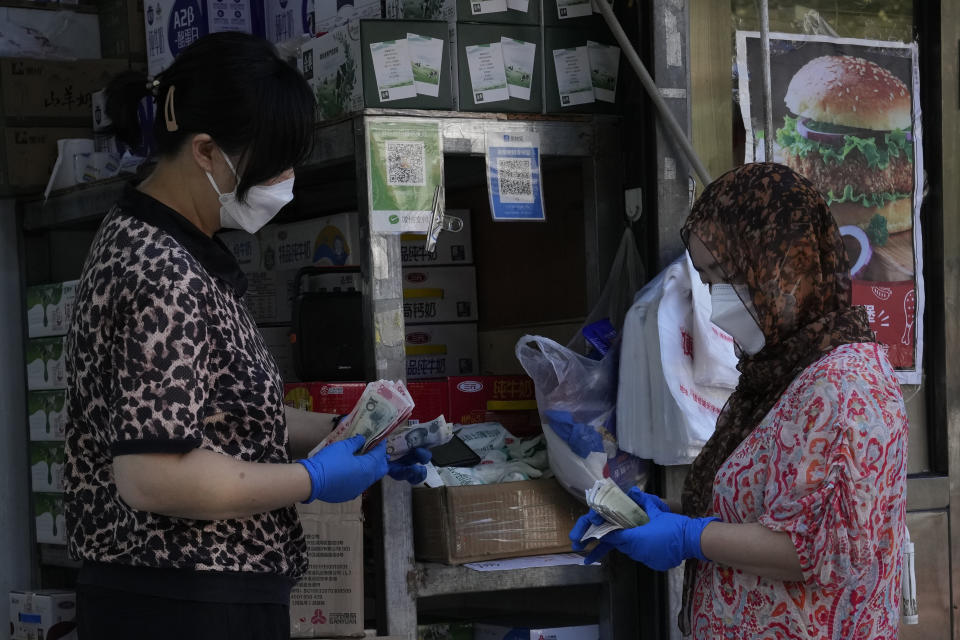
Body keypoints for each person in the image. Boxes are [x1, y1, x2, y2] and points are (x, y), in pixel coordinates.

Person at [63, 33, 429, 640]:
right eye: (273, 164)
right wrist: (312, 480)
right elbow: (153, 475)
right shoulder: (161, 270)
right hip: (182, 601)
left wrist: (353, 433)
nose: (285, 180)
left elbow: (207, 413)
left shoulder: (166, 246)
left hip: (193, 595)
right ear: (205, 150)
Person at [571, 163, 909, 639]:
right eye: (706, 279)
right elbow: (767, 508)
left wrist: (690, 537)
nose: (714, 297)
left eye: (724, 275)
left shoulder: (842, 386)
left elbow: (816, 547)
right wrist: (665, 515)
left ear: (782, 266)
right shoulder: (783, 373)